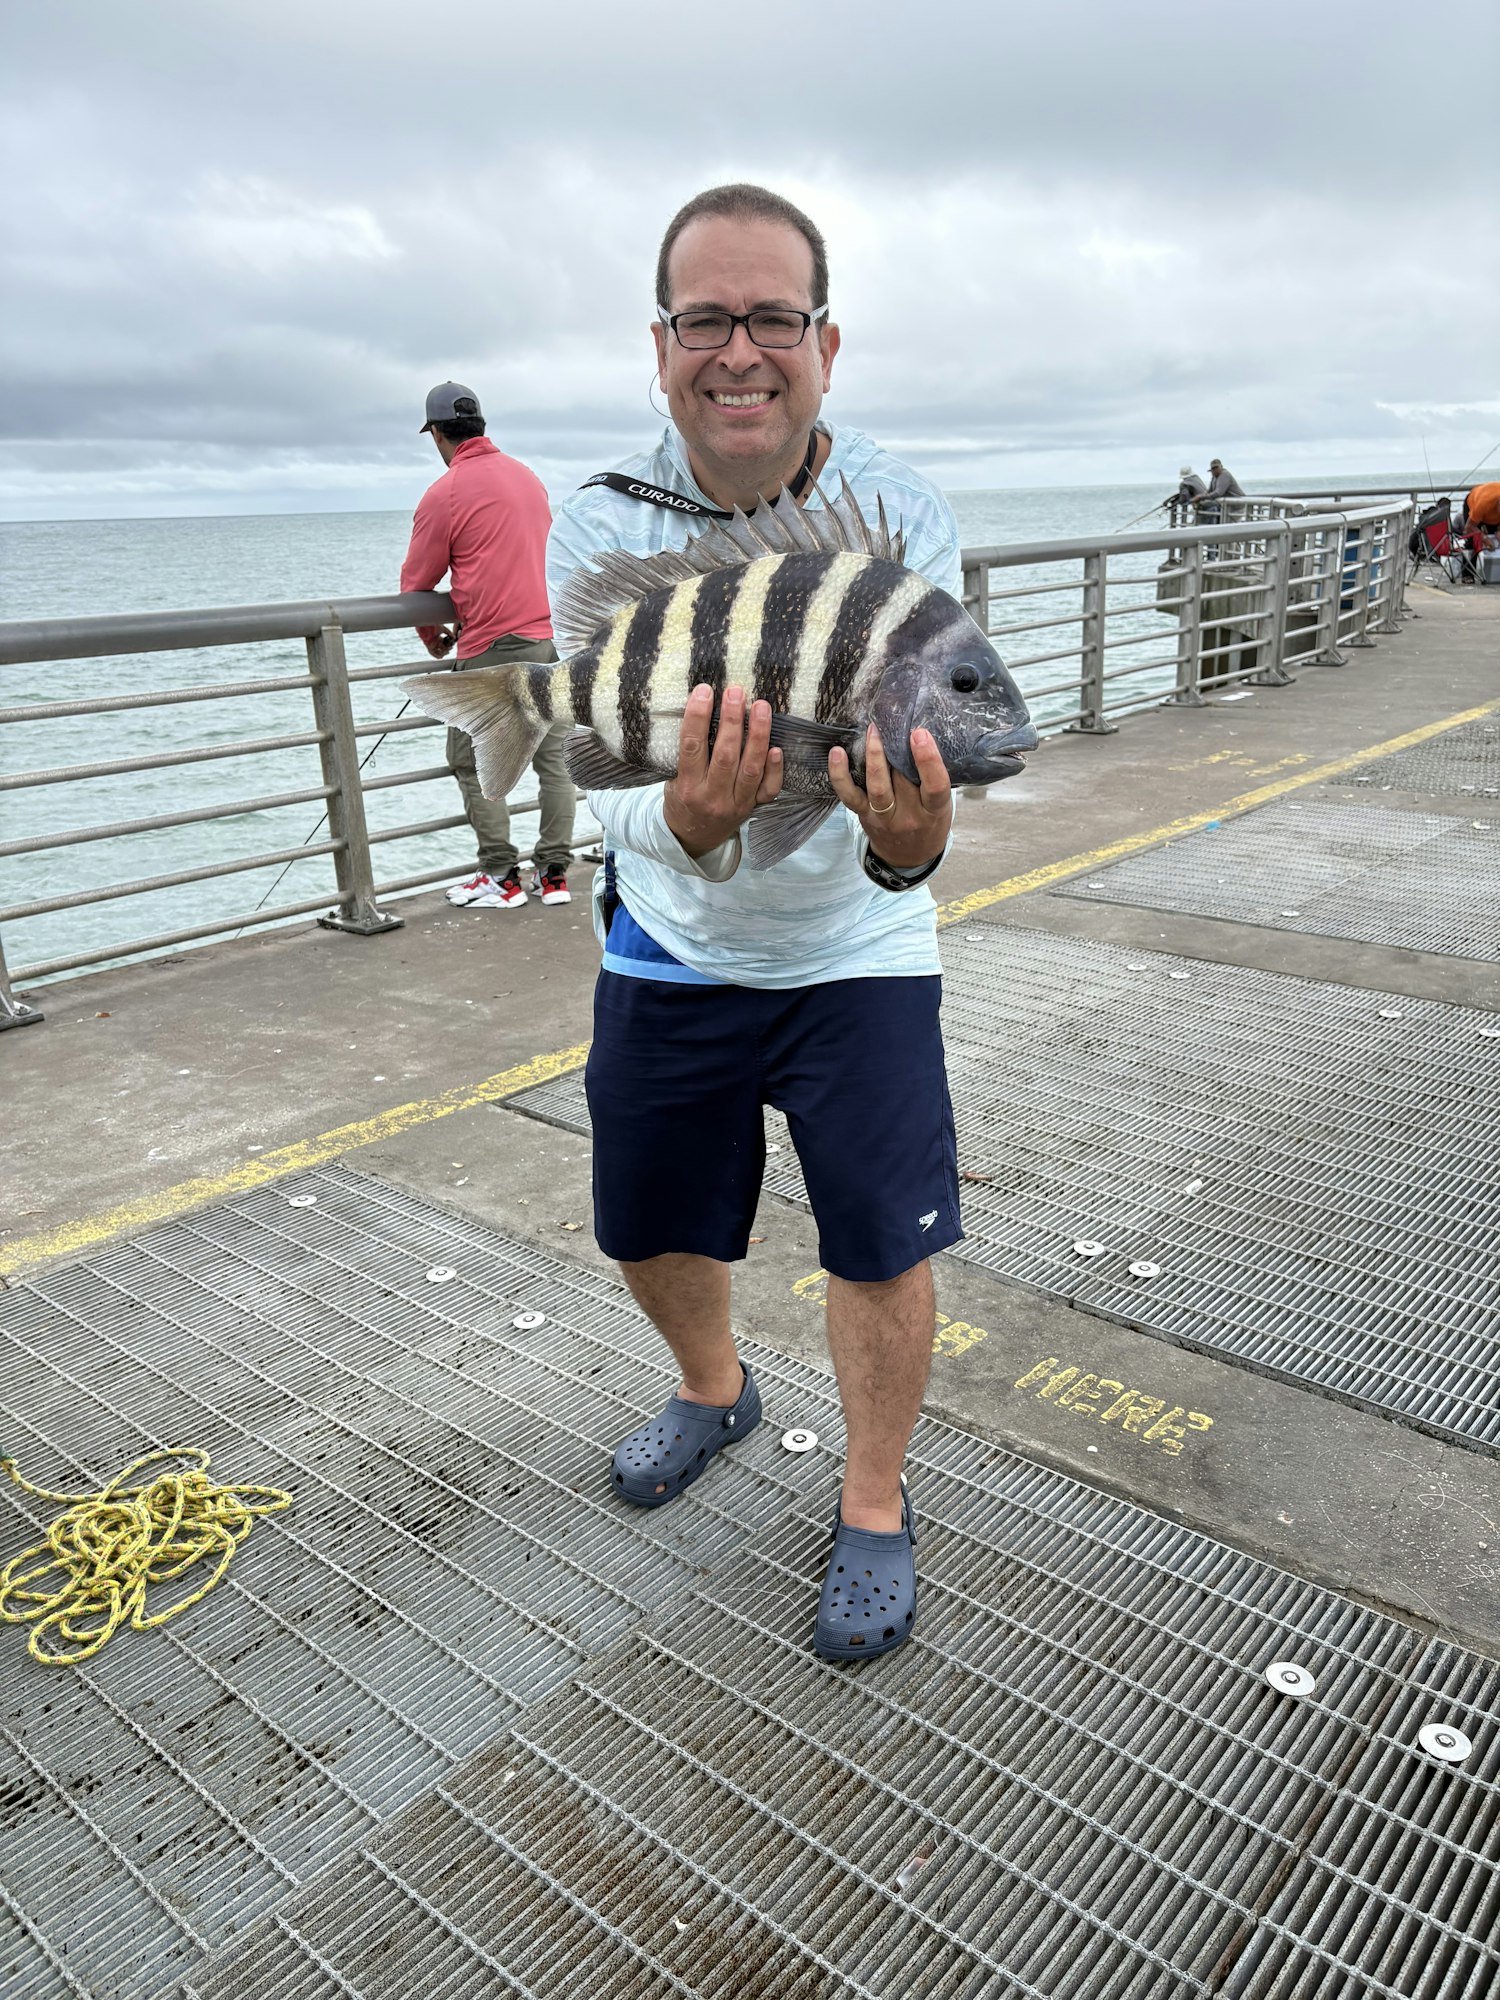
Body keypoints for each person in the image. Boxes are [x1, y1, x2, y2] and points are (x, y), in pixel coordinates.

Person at [547, 183, 968, 1664]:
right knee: (648, 1222)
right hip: (667, 935)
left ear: (826, 342)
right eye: (706, 318)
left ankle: (869, 1500)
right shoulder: (600, 518)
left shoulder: (903, 515)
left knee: (879, 1237)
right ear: (660, 344)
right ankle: (716, 1389)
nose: (742, 351)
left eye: (772, 317)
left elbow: (928, 750)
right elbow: (602, 773)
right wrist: (685, 821)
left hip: (857, 942)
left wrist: (914, 847)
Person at [401, 382, 574, 909]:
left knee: (470, 759)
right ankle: (555, 877)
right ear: (480, 424)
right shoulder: (528, 478)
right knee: (554, 760)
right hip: (551, 641)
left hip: (494, 646)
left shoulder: (444, 493)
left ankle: (500, 876)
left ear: (436, 434)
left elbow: (416, 584)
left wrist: (436, 640)